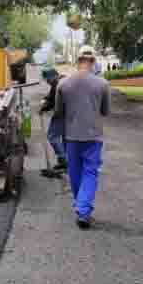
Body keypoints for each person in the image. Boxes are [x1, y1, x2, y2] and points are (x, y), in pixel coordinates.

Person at [54, 45, 111, 229]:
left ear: (78, 61)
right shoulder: (102, 84)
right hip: (93, 136)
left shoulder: (63, 84)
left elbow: (58, 111)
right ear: (93, 62)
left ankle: (81, 206)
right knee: (90, 172)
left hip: (70, 136)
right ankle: (83, 210)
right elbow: (105, 111)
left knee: (75, 172)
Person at [39, 69, 67, 178]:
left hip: (62, 113)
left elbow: (53, 101)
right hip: (71, 114)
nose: (47, 82)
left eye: (47, 79)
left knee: (52, 136)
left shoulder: (58, 84)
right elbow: (51, 95)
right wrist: (45, 99)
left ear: (53, 76)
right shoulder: (61, 81)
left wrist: (43, 108)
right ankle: (65, 162)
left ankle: (63, 160)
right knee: (65, 138)